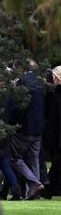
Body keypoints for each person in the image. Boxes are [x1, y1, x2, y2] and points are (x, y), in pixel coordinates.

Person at [9, 61, 47, 199]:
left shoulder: (23, 82)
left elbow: (19, 106)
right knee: (34, 159)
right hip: (39, 127)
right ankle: (34, 192)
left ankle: (35, 184)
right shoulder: (41, 82)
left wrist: (13, 123)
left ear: (20, 68)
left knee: (14, 158)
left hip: (25, 127)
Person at [42, 66, 61, 198]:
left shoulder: (51, 94)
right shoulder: (52, 94)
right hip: (56, 134)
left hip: (55, 135)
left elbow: (49, 116)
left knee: (57, 163)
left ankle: (49, 189)